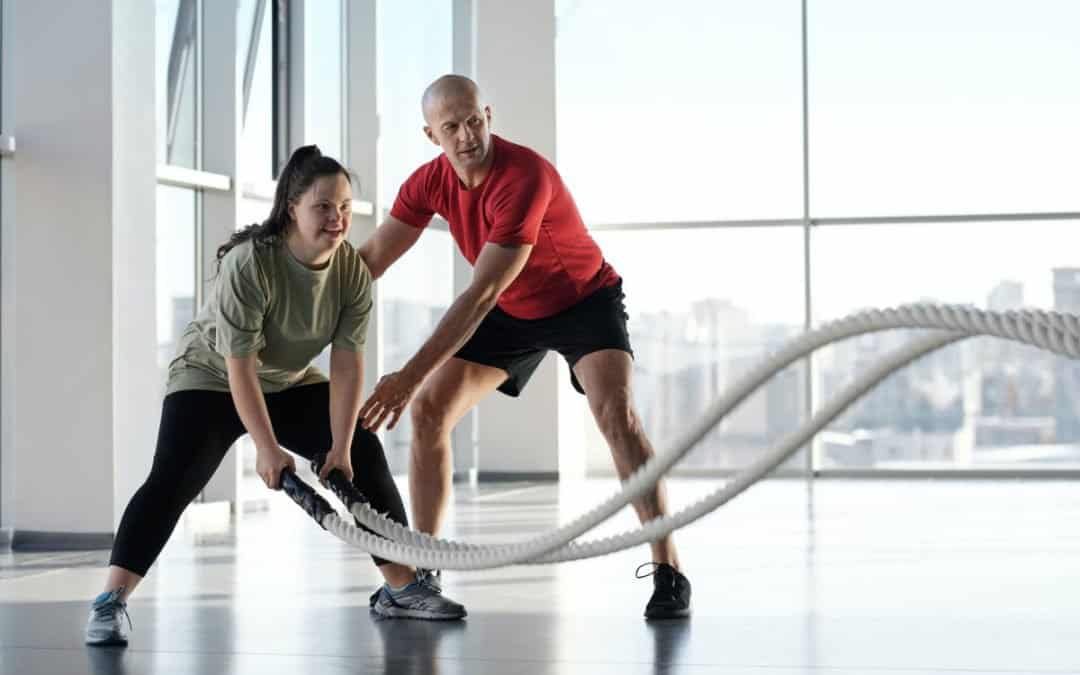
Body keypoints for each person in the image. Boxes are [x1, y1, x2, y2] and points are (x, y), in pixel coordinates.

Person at [85, 146, 466, 647]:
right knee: (174, 480)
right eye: (324, 206)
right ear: (292, 207)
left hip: (286, 378)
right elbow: (238, 366)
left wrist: (341, 446)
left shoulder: (350, 270)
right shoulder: (251, 263)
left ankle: (401, 588)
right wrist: (266, 447)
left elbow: (348, 363)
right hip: (211, 376)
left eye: (346, 206)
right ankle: (111, 601)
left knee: (366, 451)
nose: (338, 218)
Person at [356, 75, 691, 620]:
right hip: (513, 310)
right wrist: (296, 300)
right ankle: (422, 574)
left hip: (582, 300)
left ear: (487, 114)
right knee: (430, 412)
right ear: (430, 135)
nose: (466, 135)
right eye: (450, 127)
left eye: (473, 120)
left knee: (616, 416)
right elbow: (368, 262)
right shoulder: (426, 183)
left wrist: (407, 373)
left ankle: (668, 568)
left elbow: (483, 291)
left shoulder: (524, 176)